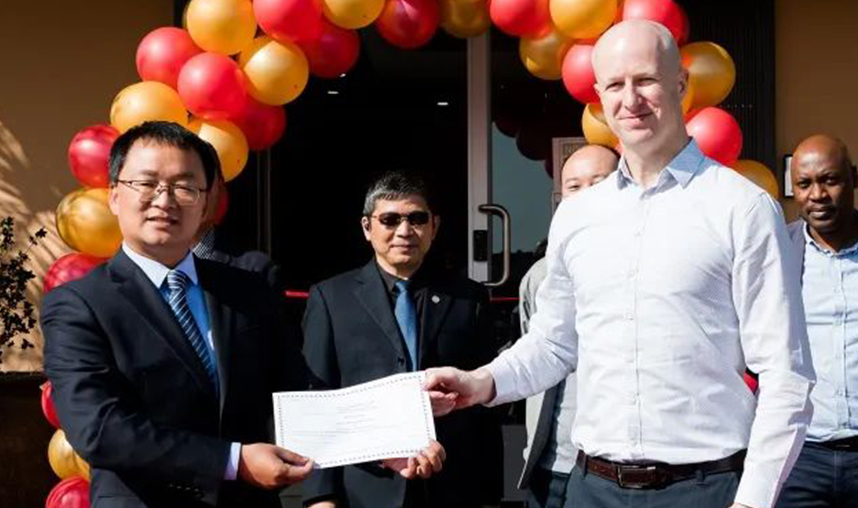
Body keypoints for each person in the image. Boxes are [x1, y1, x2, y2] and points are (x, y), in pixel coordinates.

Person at [425, 19, 814, 508]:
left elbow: (785, 372)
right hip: (592, 488)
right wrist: (480, 382)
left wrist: (753, 500)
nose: (630, 99)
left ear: (681, 84)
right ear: (598, 96)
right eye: (614, 84)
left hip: (705, 490)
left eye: (645, 79)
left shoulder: (741, 207)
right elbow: (553, 344)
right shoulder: (578, 216)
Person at [42, 121, 314, 508]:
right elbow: (99, 429)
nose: (165, 199)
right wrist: (232, 461)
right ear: (115, 196)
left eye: (185, 187)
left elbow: (298, 389)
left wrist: (380, 440)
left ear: (205, 203)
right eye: (146, 183)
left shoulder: (249, 290)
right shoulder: (78, 304)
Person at [301, 171, 503, 508]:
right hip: (364, 489)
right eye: (390, 220)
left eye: (417, 219)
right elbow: (317, 398)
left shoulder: (469, 299)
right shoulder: (331, 298)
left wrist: (490, 494)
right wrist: (320, 497)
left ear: (434, 226)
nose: (405, 231)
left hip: (453, 485)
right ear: (367, 227)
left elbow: (484, 403)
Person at [518, 145, 618, 508]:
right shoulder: (540, 276)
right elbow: (536, 354)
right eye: (574, 187)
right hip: (555, 464)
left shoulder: (654, 264)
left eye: (599, 182)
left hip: (620, 470)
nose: (586, 195)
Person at [777, 135, 858, 508]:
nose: (817, 195)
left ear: (853, 178)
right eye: (804, 184)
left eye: (830, 180)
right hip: (801, 457)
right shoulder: (778, 252)